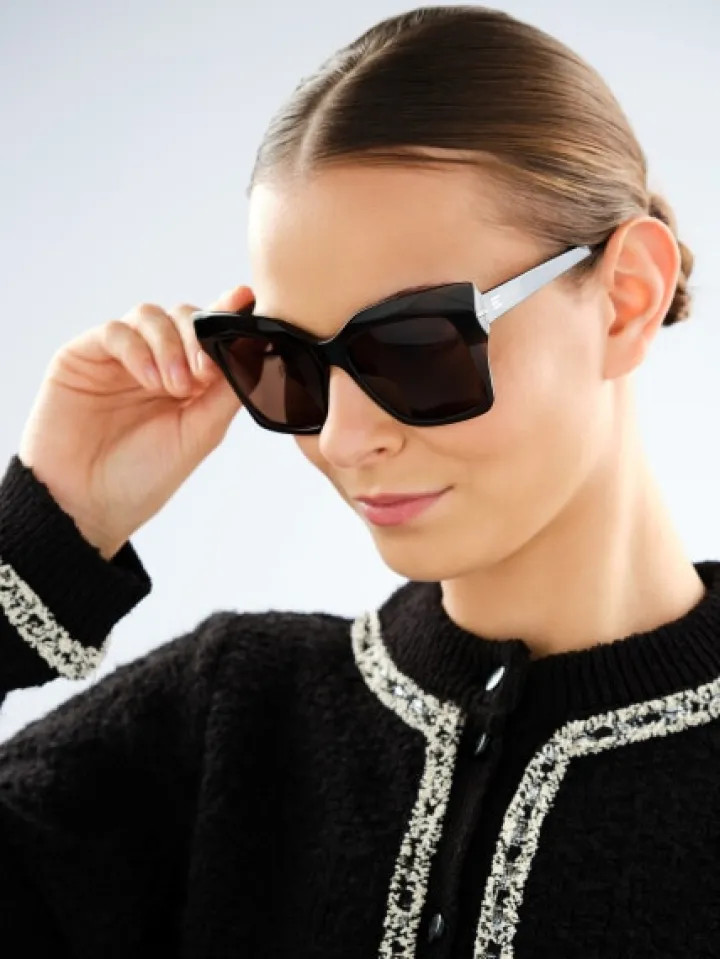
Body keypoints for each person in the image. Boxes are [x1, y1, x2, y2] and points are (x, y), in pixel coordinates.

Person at [0, 4, 716, 957]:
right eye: (285, 361)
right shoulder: (229, 725)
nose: (341, 437)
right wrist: (41, 537)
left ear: (625, 300)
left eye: (415, 346)